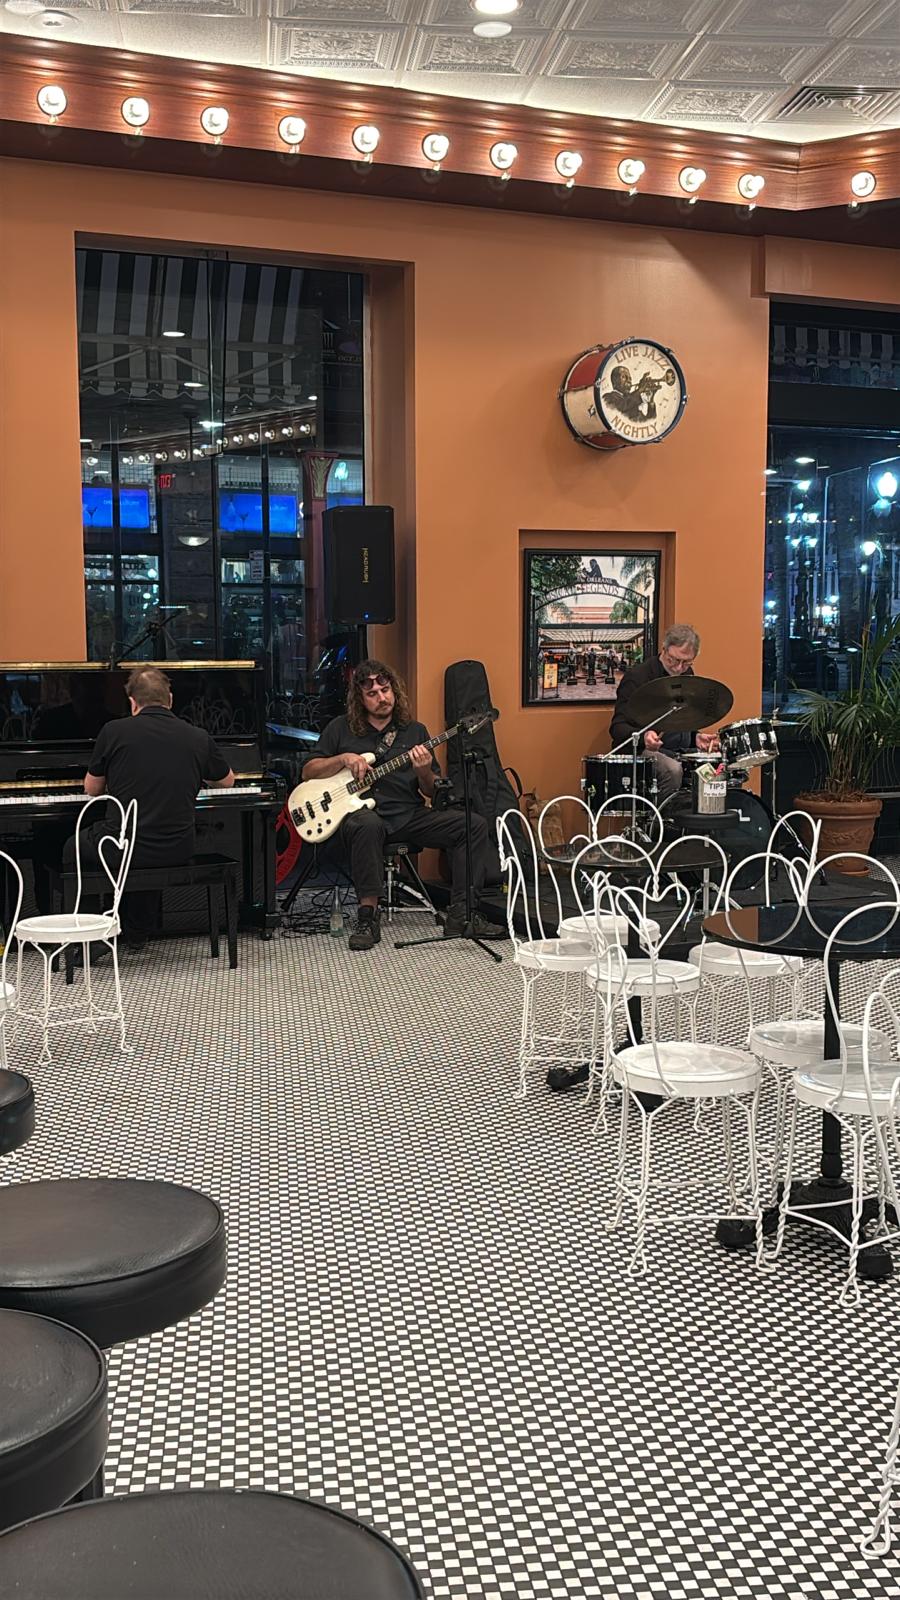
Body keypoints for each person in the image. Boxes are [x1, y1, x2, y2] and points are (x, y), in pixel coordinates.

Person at [303, 659, 505, 952]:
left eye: (385, 690)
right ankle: (367, 917)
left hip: (408, 815)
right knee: (367, 824)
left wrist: (423, 771)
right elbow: (308, 771)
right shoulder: (340, 729)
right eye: (372, 694)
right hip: (362, 816)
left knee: (472, 825)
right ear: (360, 699)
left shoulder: (415, 731)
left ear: (394, 691)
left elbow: (430, 790)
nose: (382, 698)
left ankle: (463, 914)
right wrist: (343, 758)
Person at [77, 665, 235, 945]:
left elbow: (92, 789)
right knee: (147, 838)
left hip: (124, 848)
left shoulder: (113, 731)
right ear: (170, 700)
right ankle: (137, 931)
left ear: (132, 703)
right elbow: (227, 781)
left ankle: (92, 934)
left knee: (74, 847)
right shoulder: (197, 736)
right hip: (178, 848)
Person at [608, 623, 718, 802]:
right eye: (674, 660)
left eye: (686, 662)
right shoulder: (638, 677)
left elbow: (680, 719)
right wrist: (643, 737)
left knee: (714, 768)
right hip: (639, 750)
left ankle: (695, 818)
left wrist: (695, 737)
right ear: (664, 649)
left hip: (677, 749)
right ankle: (661, 818)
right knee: (672, 769)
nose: (679, 668)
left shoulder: (687, 674)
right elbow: (617, 728)